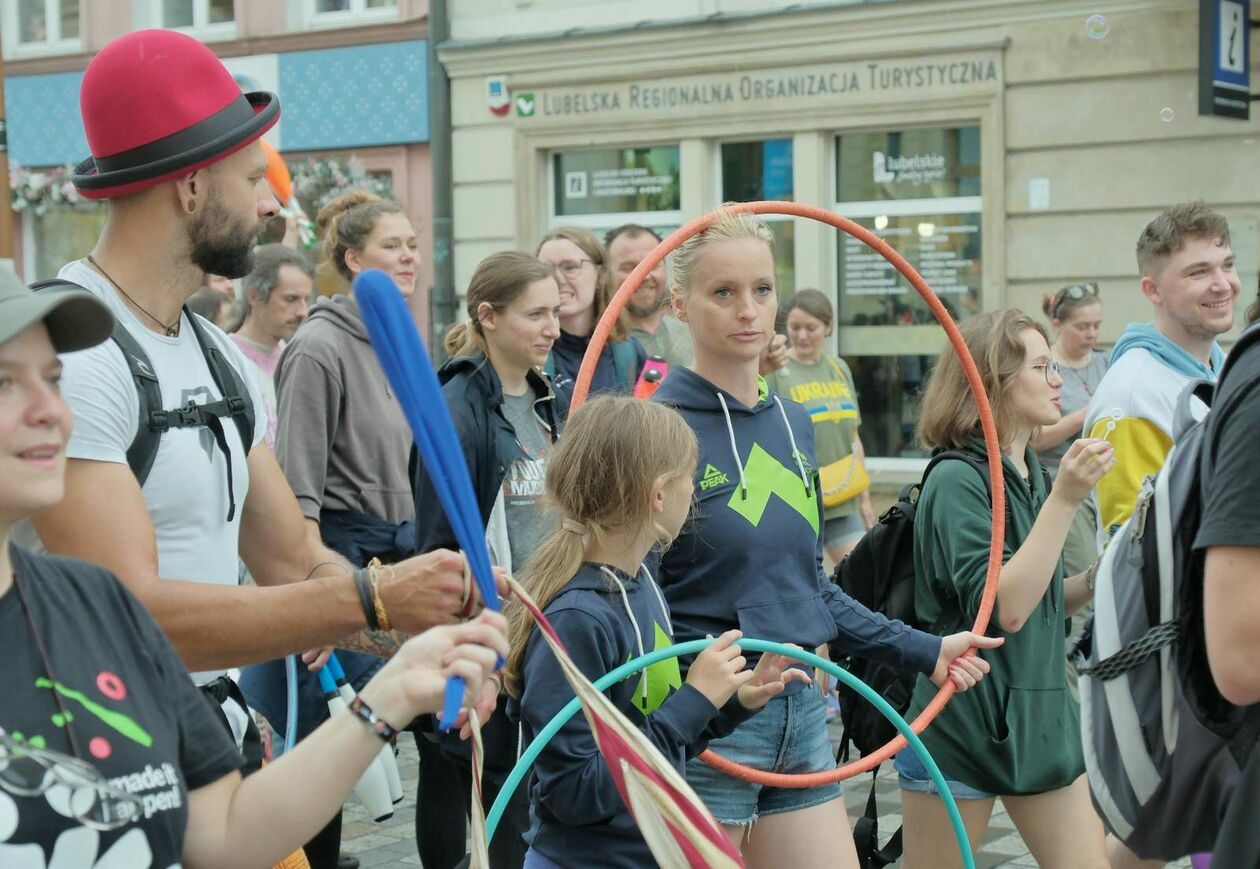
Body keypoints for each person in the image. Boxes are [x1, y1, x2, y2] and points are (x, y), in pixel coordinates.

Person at [28, 26, 484, 797]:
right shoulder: (74, 354)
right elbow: (129, 612)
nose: (274, 206)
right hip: (96, 761)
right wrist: (377, 596)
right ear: (191, 185)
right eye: (253, 179)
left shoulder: (217, 355)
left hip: (208, 735)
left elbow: (293, 560)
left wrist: (433, 624)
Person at [0, 270, 508, 869]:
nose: (52, 412)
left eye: (53, 380)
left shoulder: (95, 603)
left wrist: (398, 687)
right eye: (6, 384)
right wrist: (379, 598)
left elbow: (224, 832)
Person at [650, 209, 1000, 868]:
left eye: (761, 289)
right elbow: (631, 598)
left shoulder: (792, 420)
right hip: (704, 727)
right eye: (722, 292)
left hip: (803, 711)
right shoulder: (654, 429)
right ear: (678, 303)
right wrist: (690, 705)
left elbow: (809, 590)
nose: (748, 309)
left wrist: (926, 650)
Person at [506, 395, 807, 869]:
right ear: (659, 494)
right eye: (690, 475)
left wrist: (731, 703)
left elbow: (659, 734)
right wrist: (694, 699)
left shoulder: (641, 580)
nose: (697, 488)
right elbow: (574, 792)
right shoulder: (578, 619)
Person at [898, 309, 1114, 869]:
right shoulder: (956, 479)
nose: (1057, 379)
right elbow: (1007, 610)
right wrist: (1067, 498)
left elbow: (1040, 597)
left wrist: (1101, 575)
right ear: (993, 380)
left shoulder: (1029, 472)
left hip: (1038, 717)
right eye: (1041, 367)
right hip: (962, 726)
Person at [412, 250, 566, 867]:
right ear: (488, 317)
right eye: (536, 314)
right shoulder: (457, 408)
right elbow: (437, 541)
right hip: (485, 627)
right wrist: (466, 641)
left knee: (523, 790)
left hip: (539, 626)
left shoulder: (541, 394)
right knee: (475, 785)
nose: (553, 326)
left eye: (555, 311)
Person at [1085, 203, 1238, 548]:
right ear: (1153, 290)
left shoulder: (1223, 365)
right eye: (1198, 272)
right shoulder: (1131, 397)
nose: (1222, 284)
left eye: (1227, 265)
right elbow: (1132, 554)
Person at [765, 289, 874, 563]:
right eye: (795, 327)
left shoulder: (839, 369)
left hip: (842, 499)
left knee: (861, 578)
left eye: (811, 328)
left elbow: (853, 437)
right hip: (798, 504)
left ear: (828, 328)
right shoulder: (776, 369)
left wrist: (864, 499)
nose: (802, 336)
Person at [1034, 282, 1107, 577]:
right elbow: (1033, 439)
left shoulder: (1107, 361)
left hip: (1105, 483)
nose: (1091, 333)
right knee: (1086, 574)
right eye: (1082, 326)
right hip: (1061, 483)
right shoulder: (1044, 367)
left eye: (1096, 325)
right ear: (1057, 325)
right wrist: (1085, 415)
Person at [536, 226, 647, 396]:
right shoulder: (529, 350)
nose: (557, 279)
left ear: (601, 275)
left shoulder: (628, 352)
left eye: (570, 267)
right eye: (546, 269)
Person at [230, 243, 312, 448]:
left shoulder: (301, 358)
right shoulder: (225, 359)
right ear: (254, 296)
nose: (303, 311)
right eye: (291, 299)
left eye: (305, 300)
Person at [606, 223, 694, 368]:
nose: (644, 275)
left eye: (652, 265)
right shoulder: (599, 348)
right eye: (628, 267)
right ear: (607, 275)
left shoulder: (692, 336)